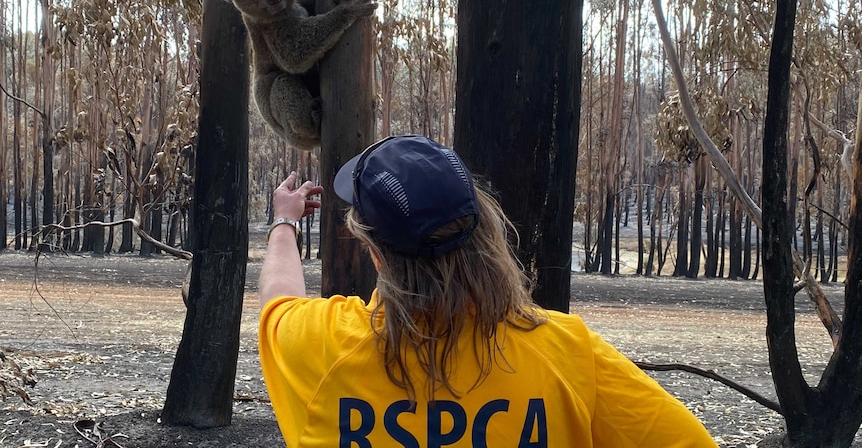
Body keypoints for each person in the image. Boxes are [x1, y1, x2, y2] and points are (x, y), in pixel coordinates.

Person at [258, 135, 718, 447]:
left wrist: (285, 221)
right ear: (486, 231)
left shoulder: (319, 348)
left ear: (376, 255)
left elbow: (278, 300)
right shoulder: (565, 352)